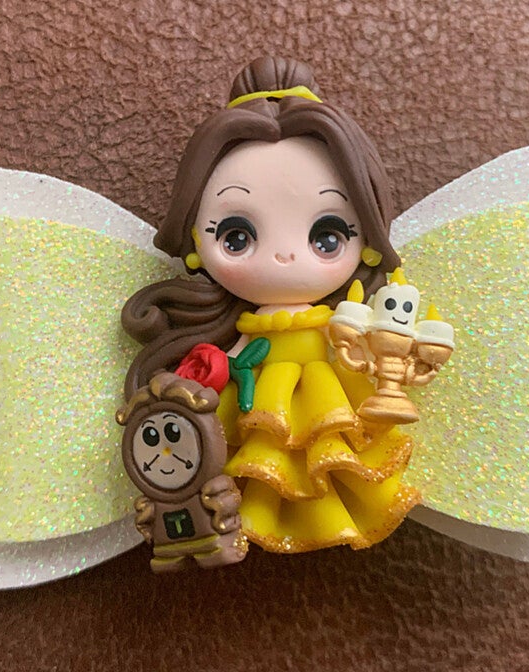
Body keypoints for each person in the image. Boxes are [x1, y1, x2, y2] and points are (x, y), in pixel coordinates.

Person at [122, 56, 419, 553]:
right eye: (236, 236)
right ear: (193, 243)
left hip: (334, 395)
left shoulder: (348, 322)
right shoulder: (239, 331)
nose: (284, 256)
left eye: (327, 236)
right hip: (252, 401)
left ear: (368, 239)